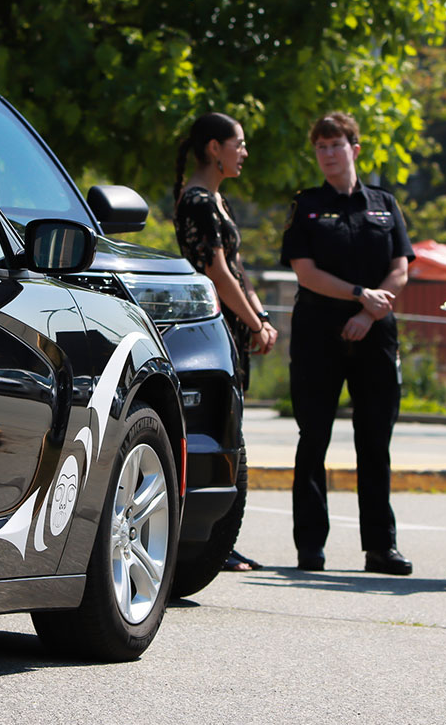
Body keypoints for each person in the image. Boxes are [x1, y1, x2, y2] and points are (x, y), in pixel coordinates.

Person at [278, 112, 415, 575]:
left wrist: (368, 312)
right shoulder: (308, 204)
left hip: (374, 333)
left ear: (355, 149)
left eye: (336, 146)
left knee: (374, 441)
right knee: (313, 437)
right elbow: (305, 271)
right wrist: (359, 295)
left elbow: (401, 267)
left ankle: (381, 547)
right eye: (321, 147)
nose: (328, 155)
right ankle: (310, 548)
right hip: (320, 333)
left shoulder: (384, 203)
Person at [172, 111, 278, 571]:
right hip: (211, 328)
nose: (245, 152)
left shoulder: (217, 199)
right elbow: (215, 270)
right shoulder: (196, 200)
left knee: (234, 438)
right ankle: (212, 546)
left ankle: (222, 542)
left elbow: (236, 267)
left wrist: (260, 317)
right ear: (215, 149)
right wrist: (253, 324)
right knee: (221, 438)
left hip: (234, 324)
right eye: (238, 143)